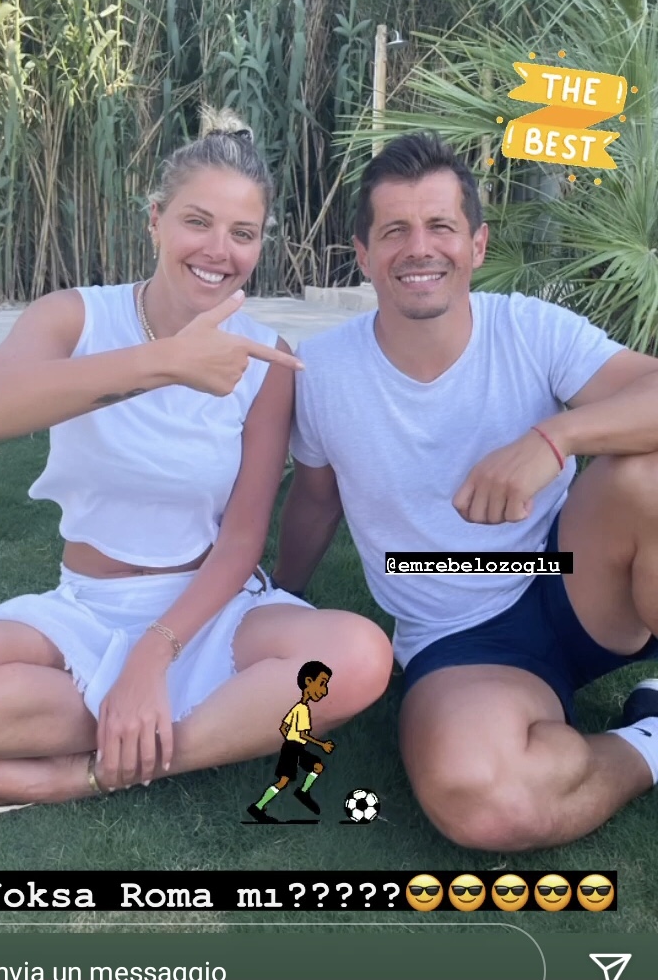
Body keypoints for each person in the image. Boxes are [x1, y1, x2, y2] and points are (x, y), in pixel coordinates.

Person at [0, 110, 393, 824]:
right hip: (87, 608)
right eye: (197, 222)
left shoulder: (265, 359)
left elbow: (242, 539)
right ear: (155, 220)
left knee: (358, 657)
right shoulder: (76, 318)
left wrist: (155, 655)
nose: (219, 250)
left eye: (242, 233)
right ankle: (193, 719)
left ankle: (87, 772)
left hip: (210, 612)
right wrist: (164, 362)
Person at [275, 130, 658, 852]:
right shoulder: (322, 372)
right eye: (395, 231)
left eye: (440, 226)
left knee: (648, 475)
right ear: (363, 255)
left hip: (576, 576)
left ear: (476, 244)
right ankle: (647, 739)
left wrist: (555, 439)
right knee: (483, 799)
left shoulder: (527, 328)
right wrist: (279, 595)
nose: (420, 248)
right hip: (460, 637)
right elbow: (317, 500)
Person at [247, 660, 334, 822]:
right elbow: (303, 734)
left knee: (317, 767)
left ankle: (302, 792)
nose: (324, 690)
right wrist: (321, 744)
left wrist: (289, 739)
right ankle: (258, 807)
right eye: (322, 683)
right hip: (293, 748)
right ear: (309, 681)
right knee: (283, 781)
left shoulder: (297, 707)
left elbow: (283, 726)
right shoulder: (302, 709)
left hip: (294, 747)